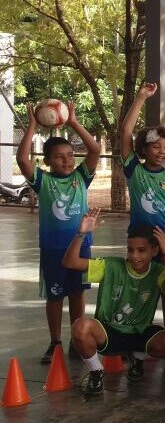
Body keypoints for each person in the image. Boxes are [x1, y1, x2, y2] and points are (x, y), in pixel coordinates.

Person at [64, 208, 165, 396]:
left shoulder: (158, 271)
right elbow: (70, 262)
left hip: (139, 331)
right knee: (80, 327)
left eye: (141, 250)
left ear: (154, 250)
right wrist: (81, 234)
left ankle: (137, 357)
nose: (134, 255)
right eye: (130, 249)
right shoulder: (111, 265)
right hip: (109, 331)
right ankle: (96, 371)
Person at [18, 101, 100, 364]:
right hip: (53, 248)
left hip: (81, 246)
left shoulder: (80, 178)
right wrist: (32, 125)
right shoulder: (43, 182)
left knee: (78, 293)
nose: (67, 160)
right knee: (54, 296)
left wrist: (74, 121)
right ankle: (55, 341)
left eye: (69, 155)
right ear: (47, 161)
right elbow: (21, 158)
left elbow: (95, 149)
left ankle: (78, 339)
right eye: (59, 157)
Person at [119, 82, 165, 331]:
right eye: (156, 146)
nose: (162, 151)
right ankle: (134, 331)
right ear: (144, 149)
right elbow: (125, 133)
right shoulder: (135, 171)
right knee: (139, 288)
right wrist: (140, 98)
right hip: (141, 243)